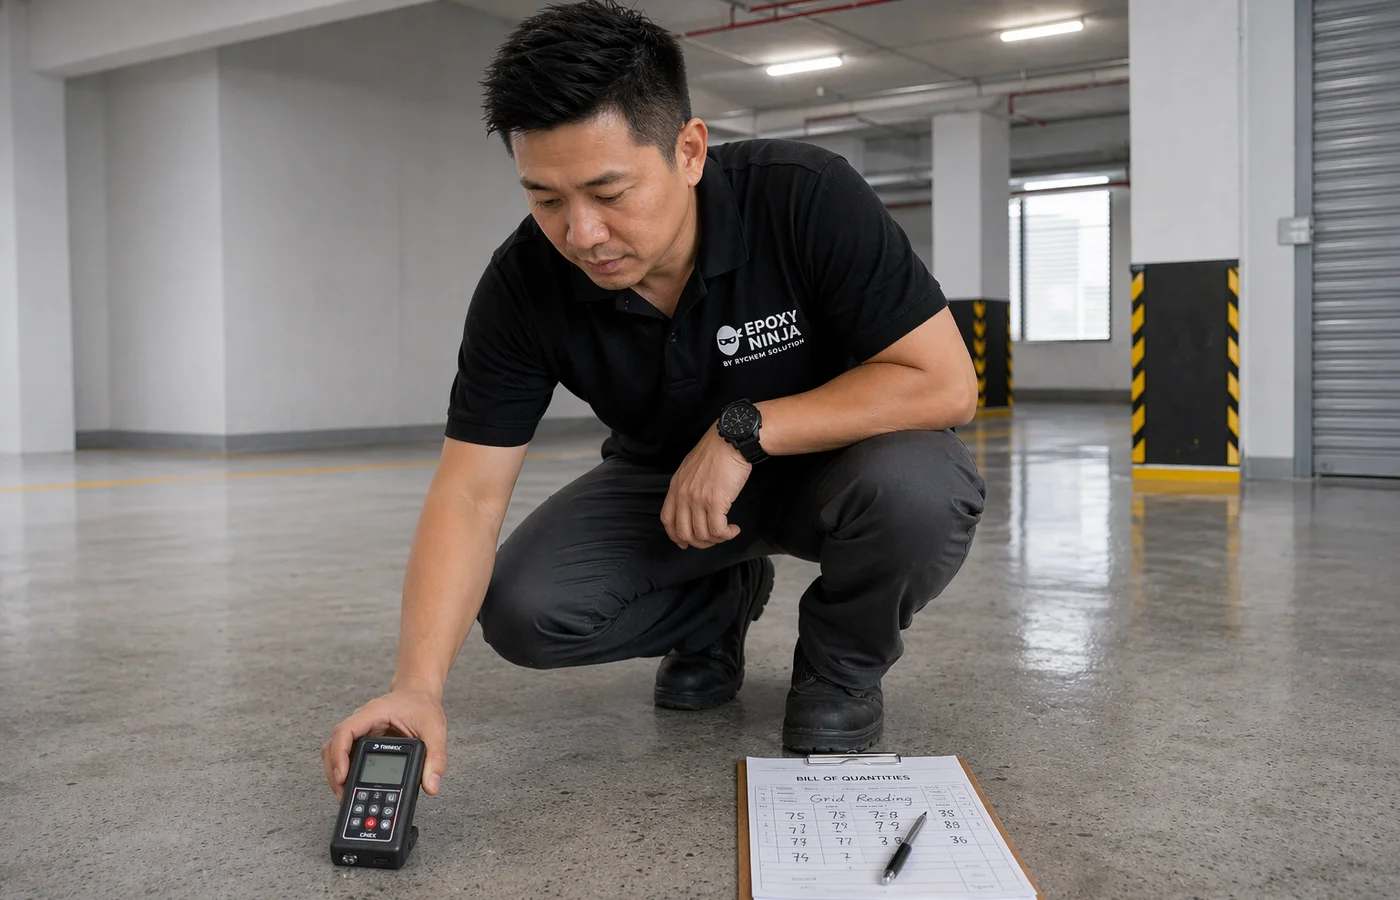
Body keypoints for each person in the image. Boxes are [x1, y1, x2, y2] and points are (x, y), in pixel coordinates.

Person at [322, 0, 985, 802]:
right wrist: (418, 685)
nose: (583, 234)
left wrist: (745, 431)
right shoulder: (523, 284)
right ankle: (716, 605)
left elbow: (946, 384)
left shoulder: (805, 197)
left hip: (836, 465)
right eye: (547, 199)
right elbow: (468, 493)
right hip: (666, 492)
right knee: (527, 609)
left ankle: (840, 669)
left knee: (925, 489)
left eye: (610, 192)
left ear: (690, 150)